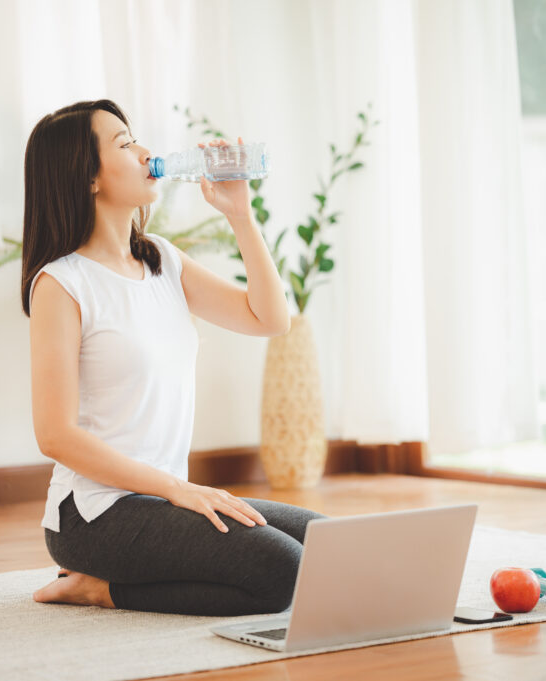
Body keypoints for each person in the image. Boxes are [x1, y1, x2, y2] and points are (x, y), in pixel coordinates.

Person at [20, 99, 328, 616]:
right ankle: (102, 588)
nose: (145, 151)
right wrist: (178, 490)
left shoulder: (161, 259)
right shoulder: (61, 284)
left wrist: (241, 217)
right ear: (88, 177)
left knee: (328, 544)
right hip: (95, 513)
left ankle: (113, 577)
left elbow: (270, 319)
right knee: (283, 570)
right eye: (124, 143)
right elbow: (54, 435)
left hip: (166, 498)